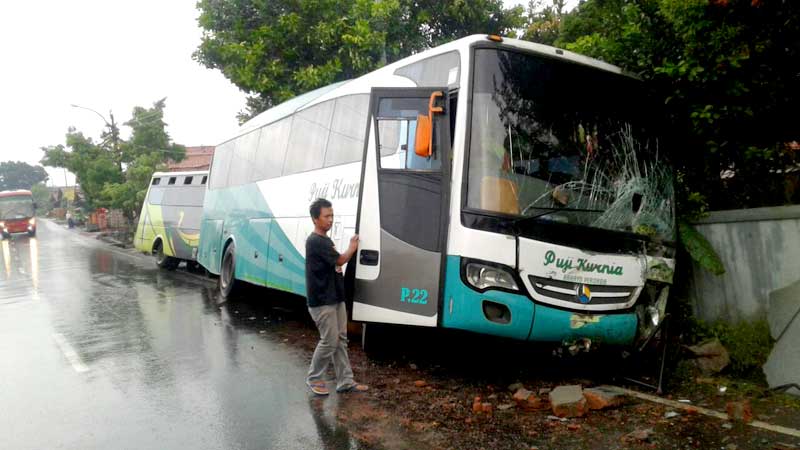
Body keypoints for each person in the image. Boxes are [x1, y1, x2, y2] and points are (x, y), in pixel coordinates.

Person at [305, 198, 368, 396]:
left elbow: (335, 265)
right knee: (330, 340)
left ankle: (345, 381)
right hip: (322, 301)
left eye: (332, 215)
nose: (331, 220)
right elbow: (340, 259)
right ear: (316, 219)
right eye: (327, 216)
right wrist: (352, 247)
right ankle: (314, 378)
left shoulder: (325, 240)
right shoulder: (315, 241)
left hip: (335, 298)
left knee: (340, 340)